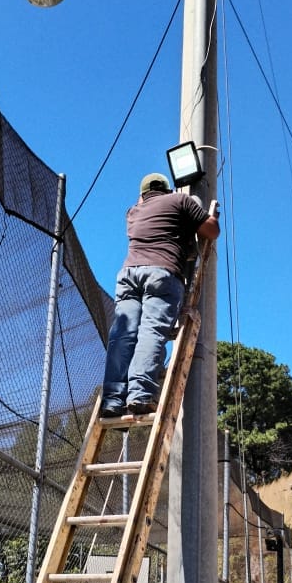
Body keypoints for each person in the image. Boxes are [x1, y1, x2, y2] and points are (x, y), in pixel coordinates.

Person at [100, 171, 220, 417]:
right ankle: (140, 395)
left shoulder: (132, 213)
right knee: (151, 332)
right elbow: (211, 231)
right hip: (162, 272)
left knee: (122, 336)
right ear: (166, 189)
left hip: (128, 274)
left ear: (142, 194)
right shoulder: (179, 201)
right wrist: (205, 218)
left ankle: (112, 399)